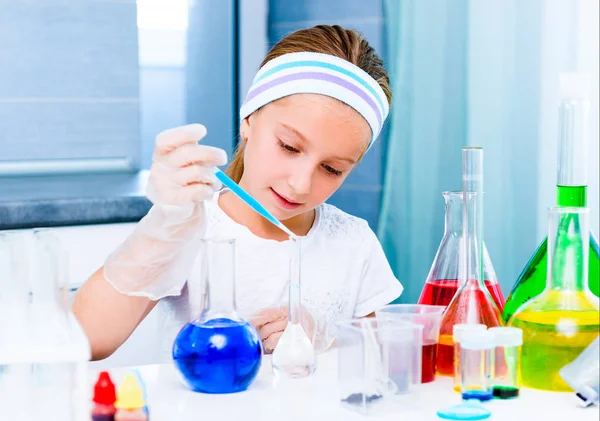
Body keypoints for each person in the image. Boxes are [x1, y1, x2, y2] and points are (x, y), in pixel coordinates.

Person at [73, 24, 403, 361]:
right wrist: (160, 230)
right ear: (249, 118)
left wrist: (329, 341)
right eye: (289, 146)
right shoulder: (189, 229)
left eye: (332, 169)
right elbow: (85, 339)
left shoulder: (352, 243)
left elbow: (385, 362)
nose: (301, 184)